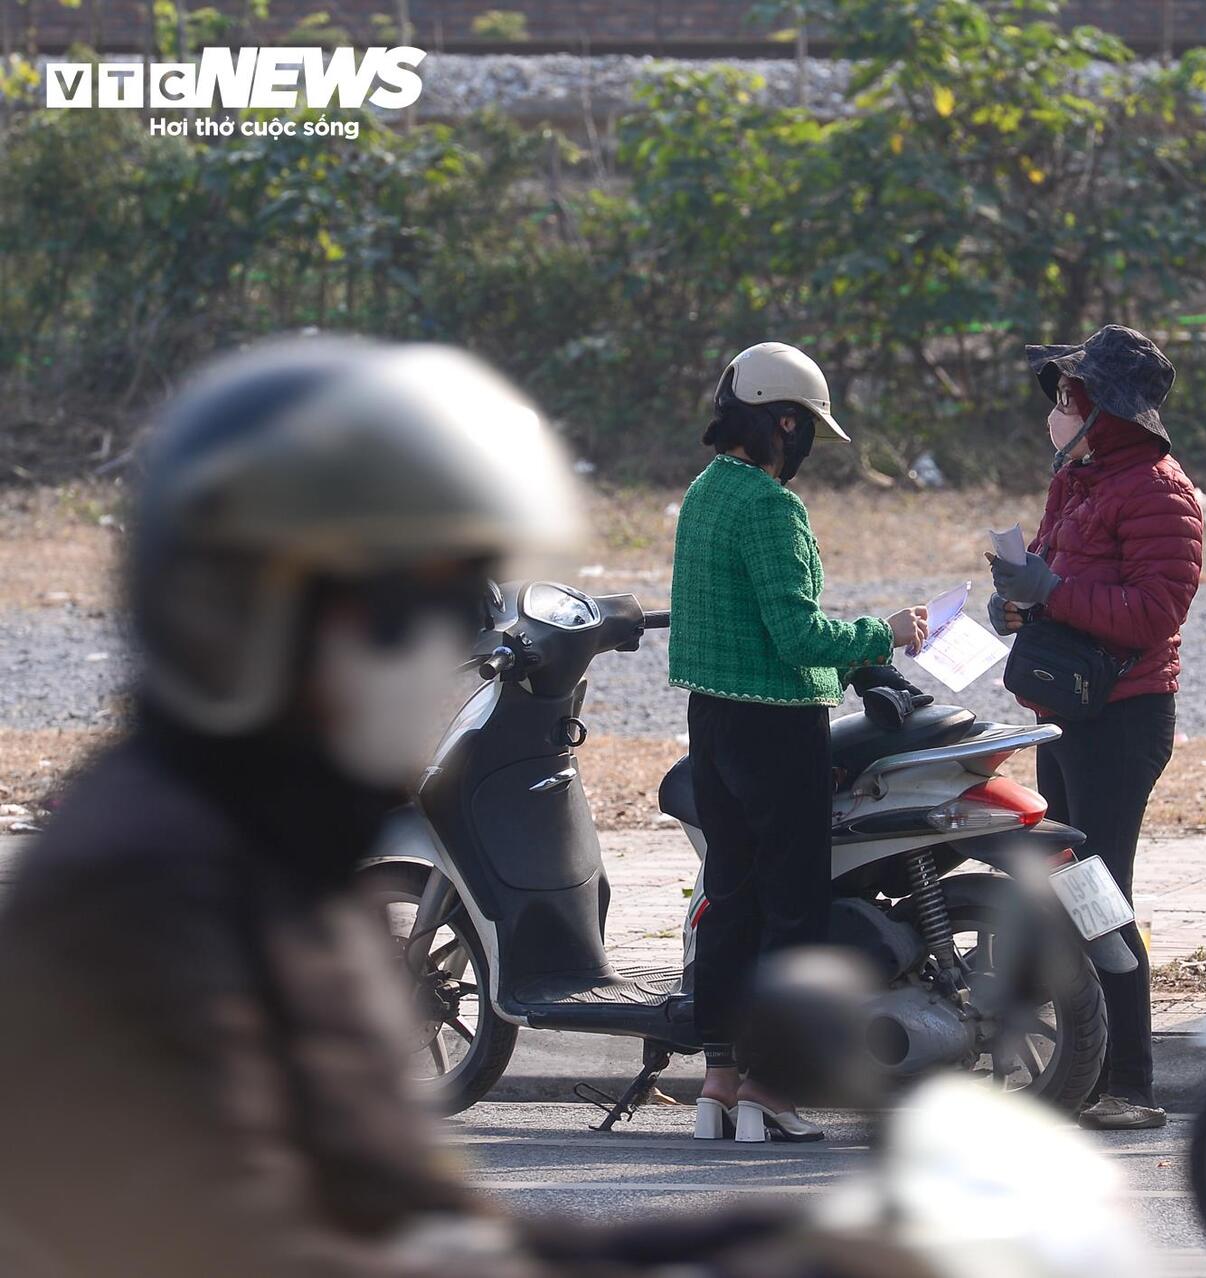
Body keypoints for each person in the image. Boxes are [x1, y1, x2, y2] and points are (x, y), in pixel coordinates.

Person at [0, 337, 925, 1278]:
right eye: (402, 602)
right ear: (236, 611)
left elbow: (419, 1219)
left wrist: (782, 1245)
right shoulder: (144, 901)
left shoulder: (275, 871)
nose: (437, 641)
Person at [668, 341, 929, 1143]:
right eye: (806, 426)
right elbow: (794, 633)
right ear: (783, 422)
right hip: (777, 730)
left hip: (712, 723)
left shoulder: (706, 493)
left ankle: (719, 1080)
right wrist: (879, 636)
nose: (809, 443)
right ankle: (772, 1090)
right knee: (790, 912)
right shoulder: (772, 508)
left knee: (731, 901)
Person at [987, 325, 1203, 1131]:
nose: (1056, 409)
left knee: (1100, 894)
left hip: (1124, 719)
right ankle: (1081, 1074)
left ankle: (1132, 1086)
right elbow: (1061, 578)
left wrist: (1051, 587)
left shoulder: (1159, 490)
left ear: (1102, 410)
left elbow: (1152, 613)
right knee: (1064, 889)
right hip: (1070, 714)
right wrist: (1020, 599)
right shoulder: (1076, 482)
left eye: (1069, 397)